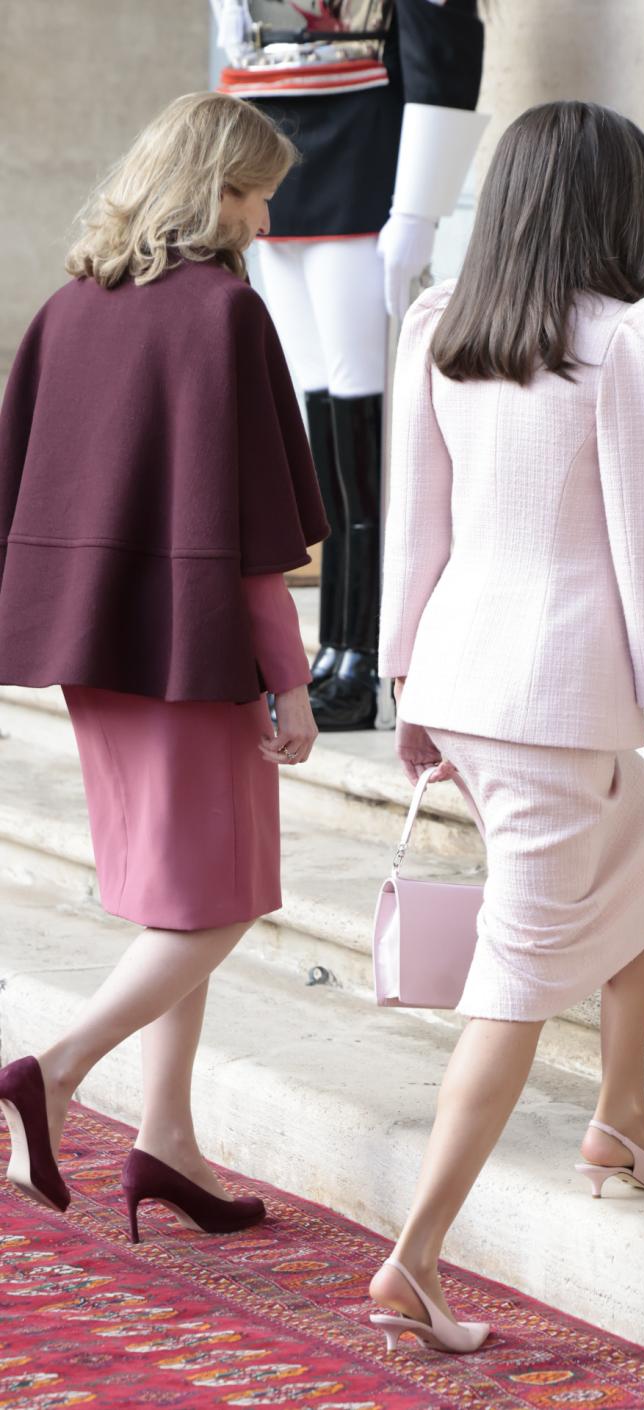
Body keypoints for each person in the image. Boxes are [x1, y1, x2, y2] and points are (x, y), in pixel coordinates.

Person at [370, 100, 644, 1353]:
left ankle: (623, 1115)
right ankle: (414, 1260)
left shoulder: (442, 325)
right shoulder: (639, 338)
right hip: (548, 702)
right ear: (614, 204)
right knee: (515, 983)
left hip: (471, 686)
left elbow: (413, 529)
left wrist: (407, 688)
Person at [0, 92, 327, 1243]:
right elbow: (250, 538)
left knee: (176, 891)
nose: (266, 213)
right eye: (252, 191)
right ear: (210, 192)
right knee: (220, 901)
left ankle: (169, 1138)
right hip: (194, 655)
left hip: (99, 644)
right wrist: (288, 682)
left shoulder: (65, 312)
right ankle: (59, 1066)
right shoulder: (222, 317)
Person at [212, 0, 487, 731]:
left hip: (362, 163)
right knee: (323, 419)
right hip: (279, 155)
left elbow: (444, 49)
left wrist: (419, 208)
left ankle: (364, 656)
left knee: (362, 427)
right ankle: (333, 648)